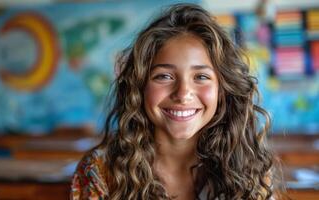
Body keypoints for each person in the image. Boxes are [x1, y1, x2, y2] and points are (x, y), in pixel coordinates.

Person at [71, 3, 278, 200]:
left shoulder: (250, 171)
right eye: (164, 76)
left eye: (201, 77)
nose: (183, 93)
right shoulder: (100, 170)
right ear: (139, 86)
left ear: (223, 89)